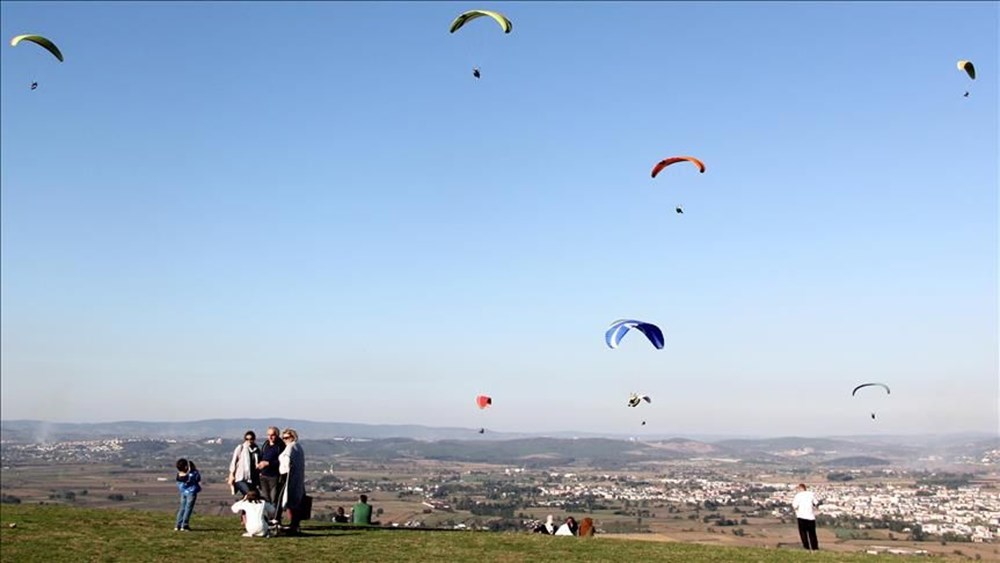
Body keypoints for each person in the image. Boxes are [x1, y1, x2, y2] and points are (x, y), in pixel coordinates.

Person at [277, 428, 306, 534]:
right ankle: (295, 524)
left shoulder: (290, 447)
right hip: (298, 478)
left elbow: (286, 460)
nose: (285, 440)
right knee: (295, 501)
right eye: (283, 438)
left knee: (289, 500)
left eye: (286, 438)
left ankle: (293, 524)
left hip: (290, 477)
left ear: (293, 437)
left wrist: (283, 472)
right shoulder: (299, 447)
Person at [257, 426, 285, 516]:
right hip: (263, 475)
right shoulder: (265, 445)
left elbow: (281, 461)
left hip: (274, 476)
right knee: (265, 498)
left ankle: (275, 518)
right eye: (268, 435)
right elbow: (262, 456)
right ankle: (268, 518)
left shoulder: (280, 446)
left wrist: (268, 463)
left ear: (277, 435)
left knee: (274, 499)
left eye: (272, 435)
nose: (270, 437)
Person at [227, 430, 261, 496]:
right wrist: (231, 474)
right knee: (249, 494)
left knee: (255, 496)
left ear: (254, 439)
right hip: (240, 478)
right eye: (247, 439)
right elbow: (234, 461)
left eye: (251, 439)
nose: (249, 441)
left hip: (252, 479)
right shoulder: (240, 448)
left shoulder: (256, 451)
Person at [174, 458, 201, 531]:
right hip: (191, 492)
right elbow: (198, 478)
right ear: (186, 467)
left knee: (182, 508)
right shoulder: (191, 475)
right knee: (188, 509)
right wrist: (194, 469)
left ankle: (178, 525)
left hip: (183, 492)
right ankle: (184, 525)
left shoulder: (179, 475)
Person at [792, 483, 820, 550]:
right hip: (811, 517)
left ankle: (806, 547)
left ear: (800, 489)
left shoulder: (798, 496)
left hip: (801, 516)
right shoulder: (811, 494)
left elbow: (794, 506)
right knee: (812, 533)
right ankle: (815, 548)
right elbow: (816, 503)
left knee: (803, 533)